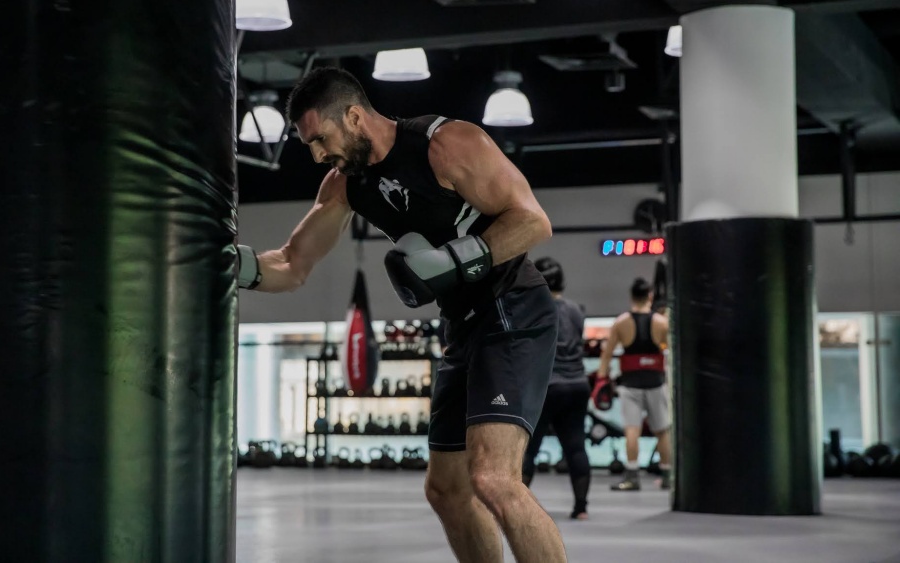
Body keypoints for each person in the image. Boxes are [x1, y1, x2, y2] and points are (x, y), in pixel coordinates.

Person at [236, 67, 567, 563]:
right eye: (309, 145)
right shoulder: (345, 185)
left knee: (494, 479)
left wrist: (455, 260)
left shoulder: (446, 144)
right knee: (446, 489)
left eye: (321, 139)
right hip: (461, 325)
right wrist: (230, 265)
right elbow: (293, 262)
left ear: (353, 116)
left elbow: (532, 222)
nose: (317, 154)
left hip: (512, 307)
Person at [521, 257, 591, 521]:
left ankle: (517, 508)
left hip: (546, 387)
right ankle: (581, 507)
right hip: (577, 385)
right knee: (576, 446)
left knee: (528, 449)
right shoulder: (576, 310)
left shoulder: (534, 309)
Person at [596, 277, 672, 491]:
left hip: (631, 384)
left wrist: (601, 380)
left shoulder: (621, 323)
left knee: (632, 430)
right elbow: (672, 351)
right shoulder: (661, 323)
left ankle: (632, 477)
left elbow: (607, 355)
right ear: (649, 295)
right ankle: (668, 475)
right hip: (656, 383)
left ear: (631, 296)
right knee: (662, 431)